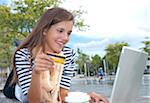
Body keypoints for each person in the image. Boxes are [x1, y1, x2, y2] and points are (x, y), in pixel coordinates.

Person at [6, 7, 108, 103]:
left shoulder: (68, 54)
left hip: (48, 89)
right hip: (17, 88)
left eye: (68, 33)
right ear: (45, 30)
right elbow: (33, 101)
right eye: (60, 31)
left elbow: (62, 95)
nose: (65, 38)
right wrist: (36, 73)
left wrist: (87, 97)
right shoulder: (23, 55)